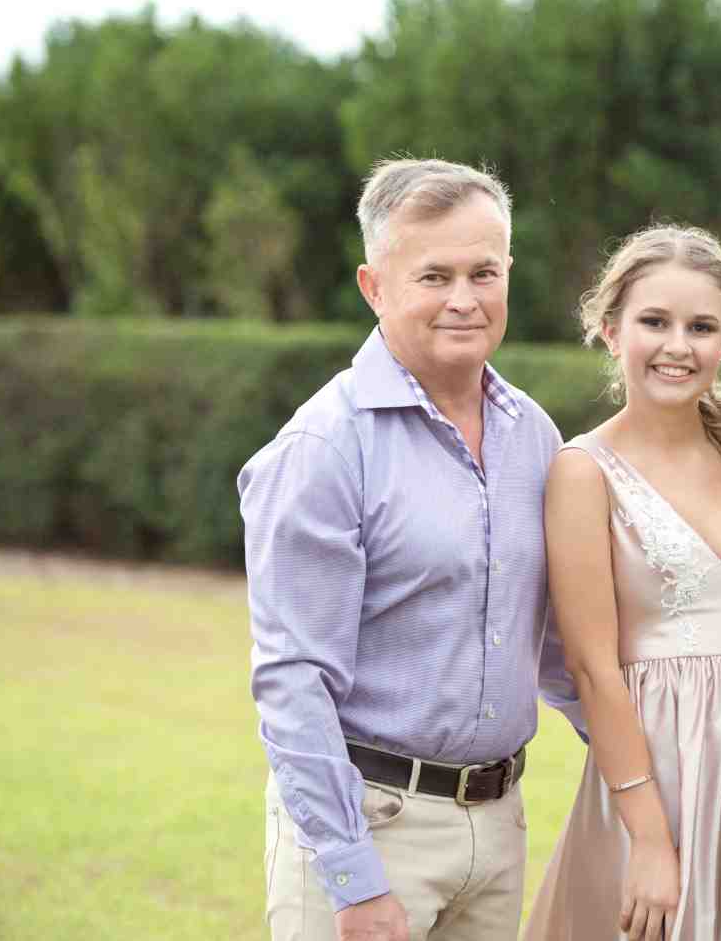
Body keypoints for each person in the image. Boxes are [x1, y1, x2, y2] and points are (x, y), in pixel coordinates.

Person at [238, 158, 586, 941]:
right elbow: (293, 684)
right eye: (434, 275)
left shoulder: (534, 435)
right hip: (370, 830)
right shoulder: (324, 448)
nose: (464, 299)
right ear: (374, 286)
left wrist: (649, 771)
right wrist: (355, 881)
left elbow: (562, 644)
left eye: (484, 272)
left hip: (499, 830)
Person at [523, 226, 721, 941]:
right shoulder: (582, 472)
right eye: (656, 322)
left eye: (701, 327)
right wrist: (650, 838)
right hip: (661, 764)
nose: (678, 346)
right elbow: (592, 667)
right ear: (611, 329)